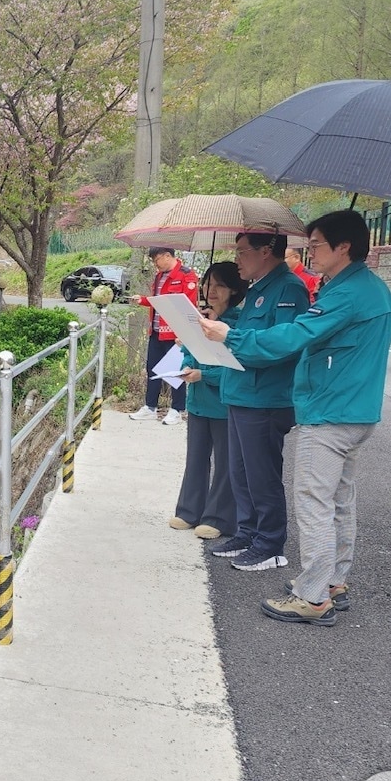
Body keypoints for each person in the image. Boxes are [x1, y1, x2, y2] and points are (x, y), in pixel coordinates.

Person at [200, 210, 391, 626]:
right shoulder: (361, 287)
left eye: (317, 243)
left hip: (330, 411)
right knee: (339, 501)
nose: (309, 251)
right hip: (352, 409)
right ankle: (333, 582)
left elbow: (294, 335)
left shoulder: (347, 293)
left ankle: (313, 596)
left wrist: (230, 335)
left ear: (344, 246)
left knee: (315, 503)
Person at [206, 231, 309, 571]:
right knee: (240, 471)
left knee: (261, 473)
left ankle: (270, 543)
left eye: (242, 252)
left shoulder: (288, 289)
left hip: (265, 396)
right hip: (241, 391)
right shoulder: (256, 291)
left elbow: (282, 344)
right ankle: (247, 532)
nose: (237, 259)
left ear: (266, 251)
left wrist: (230, 337)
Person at [169, 262, 246, 539]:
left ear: (234, 289)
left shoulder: (237, 326)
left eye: (220, 286)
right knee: (196, 457)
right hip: (198, 401)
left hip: (224, 404)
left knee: (225, 462)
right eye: (208, 284)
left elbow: (234, 366)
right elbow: (190, 350)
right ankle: (189, 511)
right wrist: (189, 366)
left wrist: (206, 375)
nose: (211, 291)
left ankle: (219, 517)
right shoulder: (202, 319)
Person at [129, 246, 199, 426]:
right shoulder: (159, 277)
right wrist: (143, 300)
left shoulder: (186, 275)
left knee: (176, 371)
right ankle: (150, 407)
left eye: (156, 260)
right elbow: (158, 301)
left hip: (175, 334)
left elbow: (189, 306)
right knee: (152, 369)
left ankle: (177, 409)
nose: (155, 264)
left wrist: (184, 333)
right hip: (156, 330)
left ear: (167, 256)